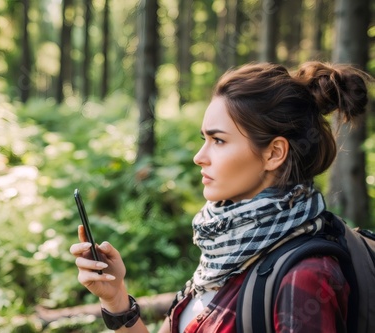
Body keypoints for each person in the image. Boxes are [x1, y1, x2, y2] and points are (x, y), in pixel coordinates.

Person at [70, 61, 371, 332]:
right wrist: (116, 297)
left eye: (218, 140)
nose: (199, 157)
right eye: (205, 139)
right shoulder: (228, 245)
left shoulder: (304, 277)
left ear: (274, 153)